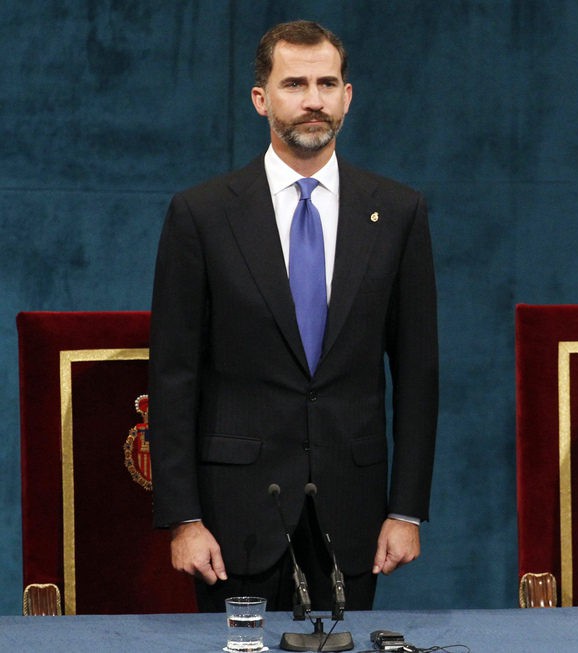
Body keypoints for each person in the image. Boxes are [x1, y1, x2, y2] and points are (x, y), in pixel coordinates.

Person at [148, 20, 438, 613]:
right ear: (261, 99)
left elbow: (417, 373)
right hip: (233, 523)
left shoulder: (398, 212)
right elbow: (174, 377)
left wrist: (405, 509)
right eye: (294, 84)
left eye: (327, 83)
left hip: (352, 516)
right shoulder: (201, 215)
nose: (313, 101)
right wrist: (183, 519)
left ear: (347, 97)